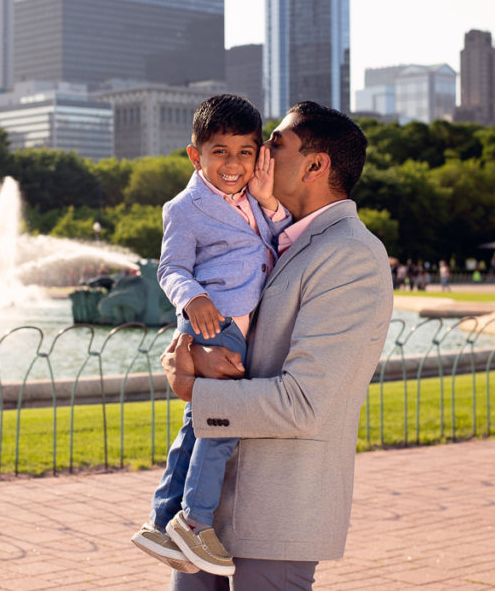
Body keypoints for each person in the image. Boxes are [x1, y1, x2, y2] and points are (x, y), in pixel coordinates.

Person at [160, 101, 393, 590]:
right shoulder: (268, 231)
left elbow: (304, 403)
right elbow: (222, 316)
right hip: (209, 512)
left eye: (274, 144)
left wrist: (197, 392)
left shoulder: (350, 255)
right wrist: (196, 353)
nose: (259, 152)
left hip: (275, 513)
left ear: (315, 165)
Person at [131, 94, 291, 577]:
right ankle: (196, 522)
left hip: (239, 325)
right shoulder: (184, 207)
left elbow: (276, 238)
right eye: (220, 151)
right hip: (212, 323)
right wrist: (192, 297)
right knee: (224, 426)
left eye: (245, 152)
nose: (233, 163)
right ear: (195, 154)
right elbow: (171, 266)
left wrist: (269, 203)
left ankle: (163, 520)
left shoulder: (254, 199)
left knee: (197, 425)